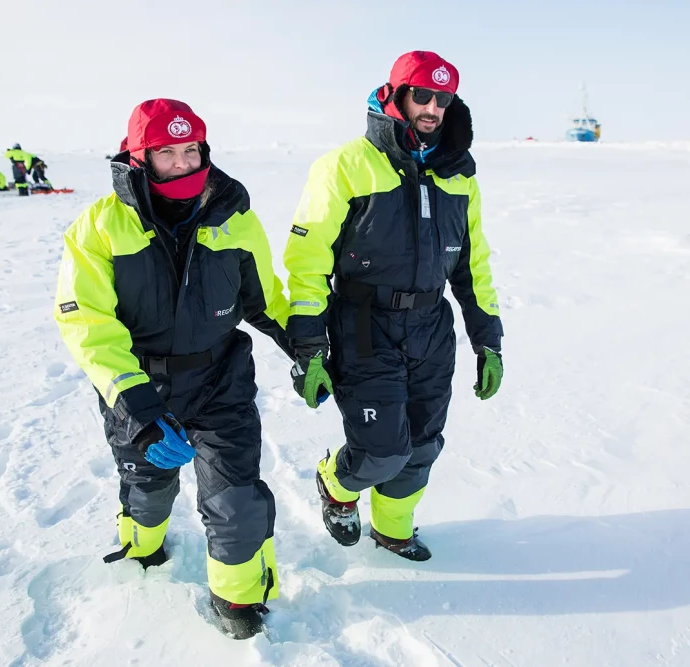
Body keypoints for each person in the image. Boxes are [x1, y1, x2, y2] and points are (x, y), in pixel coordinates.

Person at [54, 98, 292, 639]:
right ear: (140, 157)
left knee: (235, 496)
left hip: (219, 382)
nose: (183, 164)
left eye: (191, 150)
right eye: (168, 153)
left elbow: (264, 298)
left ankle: (238, 602)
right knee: (148, 489)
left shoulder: (233, 214)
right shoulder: (99, 227)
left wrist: (305, 350)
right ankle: (144, 544)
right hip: (141, 390)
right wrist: (139, 408)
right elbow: (86, 322)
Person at [283, 51, 504, 560]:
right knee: (382, 450)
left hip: (430, 325)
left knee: (423, 445)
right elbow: (307, 259)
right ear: (398, 95)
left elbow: (474, 264)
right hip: (365, 323)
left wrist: (487, 340)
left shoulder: (458, 175)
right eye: (422, 95)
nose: (432, 107)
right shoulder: (345, 165)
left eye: (442, 99)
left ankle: (392, 528)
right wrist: (310, 345)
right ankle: (337, 486)